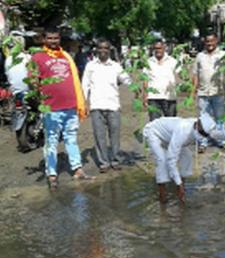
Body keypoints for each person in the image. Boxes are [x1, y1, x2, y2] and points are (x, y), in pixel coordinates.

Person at [31, 26, 94, 189]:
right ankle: (51, 174)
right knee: (51, 141)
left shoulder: (66, 56)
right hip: (51, 108)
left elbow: (74, 78)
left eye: (56, 38)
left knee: (71, 138)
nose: (53, 41)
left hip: (71, 105)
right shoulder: (37, 57)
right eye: (50, 38)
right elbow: (33, 81)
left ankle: (77, 170)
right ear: (44, 39)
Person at [143, 112, 220, 205]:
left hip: (170, 137)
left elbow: (215, 136)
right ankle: (162, 197)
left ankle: (180, 192)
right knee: (162, 161)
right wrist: (178, 184)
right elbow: (171, 159)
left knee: (187, 157)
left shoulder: (202, 128)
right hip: (155, 132)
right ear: (196, 126)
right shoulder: (183, 131)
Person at [82, 38, 132, 173]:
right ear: (96, 50)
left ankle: (115, 160)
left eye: (106, 48)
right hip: (96, 105)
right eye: (100, 48)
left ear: (109, 50)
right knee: (99, 136)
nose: (103, 50)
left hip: (113, 105)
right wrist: (85, 103)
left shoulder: (116, 66)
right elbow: (84, 85)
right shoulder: (90, 66)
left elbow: (126, 79)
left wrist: (135, 86)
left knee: (114, 135)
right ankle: (104, 162)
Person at [192, 31, 225, 153]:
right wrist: (193, 90)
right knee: (203, 119)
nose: (210, 43)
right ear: (204, 43)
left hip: (219, 92)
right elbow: (195, 73)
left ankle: (221, 141)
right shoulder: (200, 56)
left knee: (219, 119)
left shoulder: (223, 55)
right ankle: (203, 142)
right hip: (203, 92)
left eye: (212, 41)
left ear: (216, 41)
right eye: (207, 41)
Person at [143, 39, 178, 121]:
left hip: (169, 97)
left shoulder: (172, 61)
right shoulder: (148, 62)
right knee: (155, 124)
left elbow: (182, 75)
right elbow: (145, 80)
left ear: (164, 48)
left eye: (159, 48)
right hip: (153, 98)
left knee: (171, 123)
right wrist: (145, 96)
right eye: (155, 48)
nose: (158, 50)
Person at [4, 33, 30, 98]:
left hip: (14, 92)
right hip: (28, 92)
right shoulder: (28, 57)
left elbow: (8, 76)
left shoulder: (8, 59)